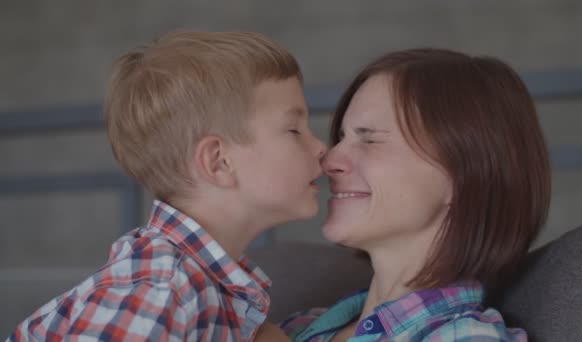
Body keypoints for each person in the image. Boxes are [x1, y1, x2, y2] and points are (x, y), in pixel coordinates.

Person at [9, 30, 326, 341]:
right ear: (219, 162)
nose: (321, 148)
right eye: (294, 130)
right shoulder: (159, 289)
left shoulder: (210, 286)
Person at [281, 48, 551, 341]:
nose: (329, 160)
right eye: (343, 138)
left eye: (370, 139)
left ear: (463, 175)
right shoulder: (296, 328)